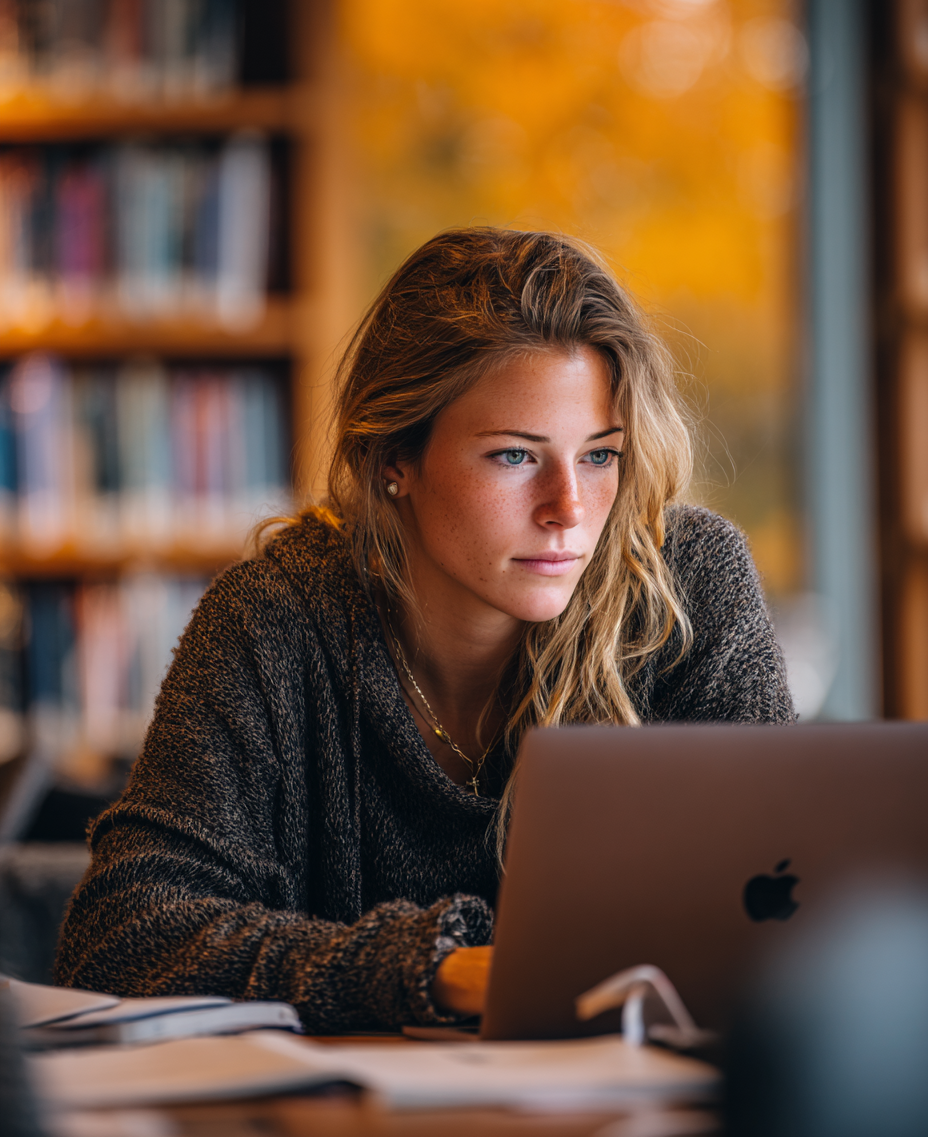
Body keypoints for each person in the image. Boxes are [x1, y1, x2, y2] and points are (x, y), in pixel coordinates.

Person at [54, 228, 794, 1032]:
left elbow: (797, 904)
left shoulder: (684, 585)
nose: (569, 511)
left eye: (599, 456)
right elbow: (119, 936)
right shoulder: (274, 621)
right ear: (393, 461)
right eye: (515, 457)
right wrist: (433, 971)